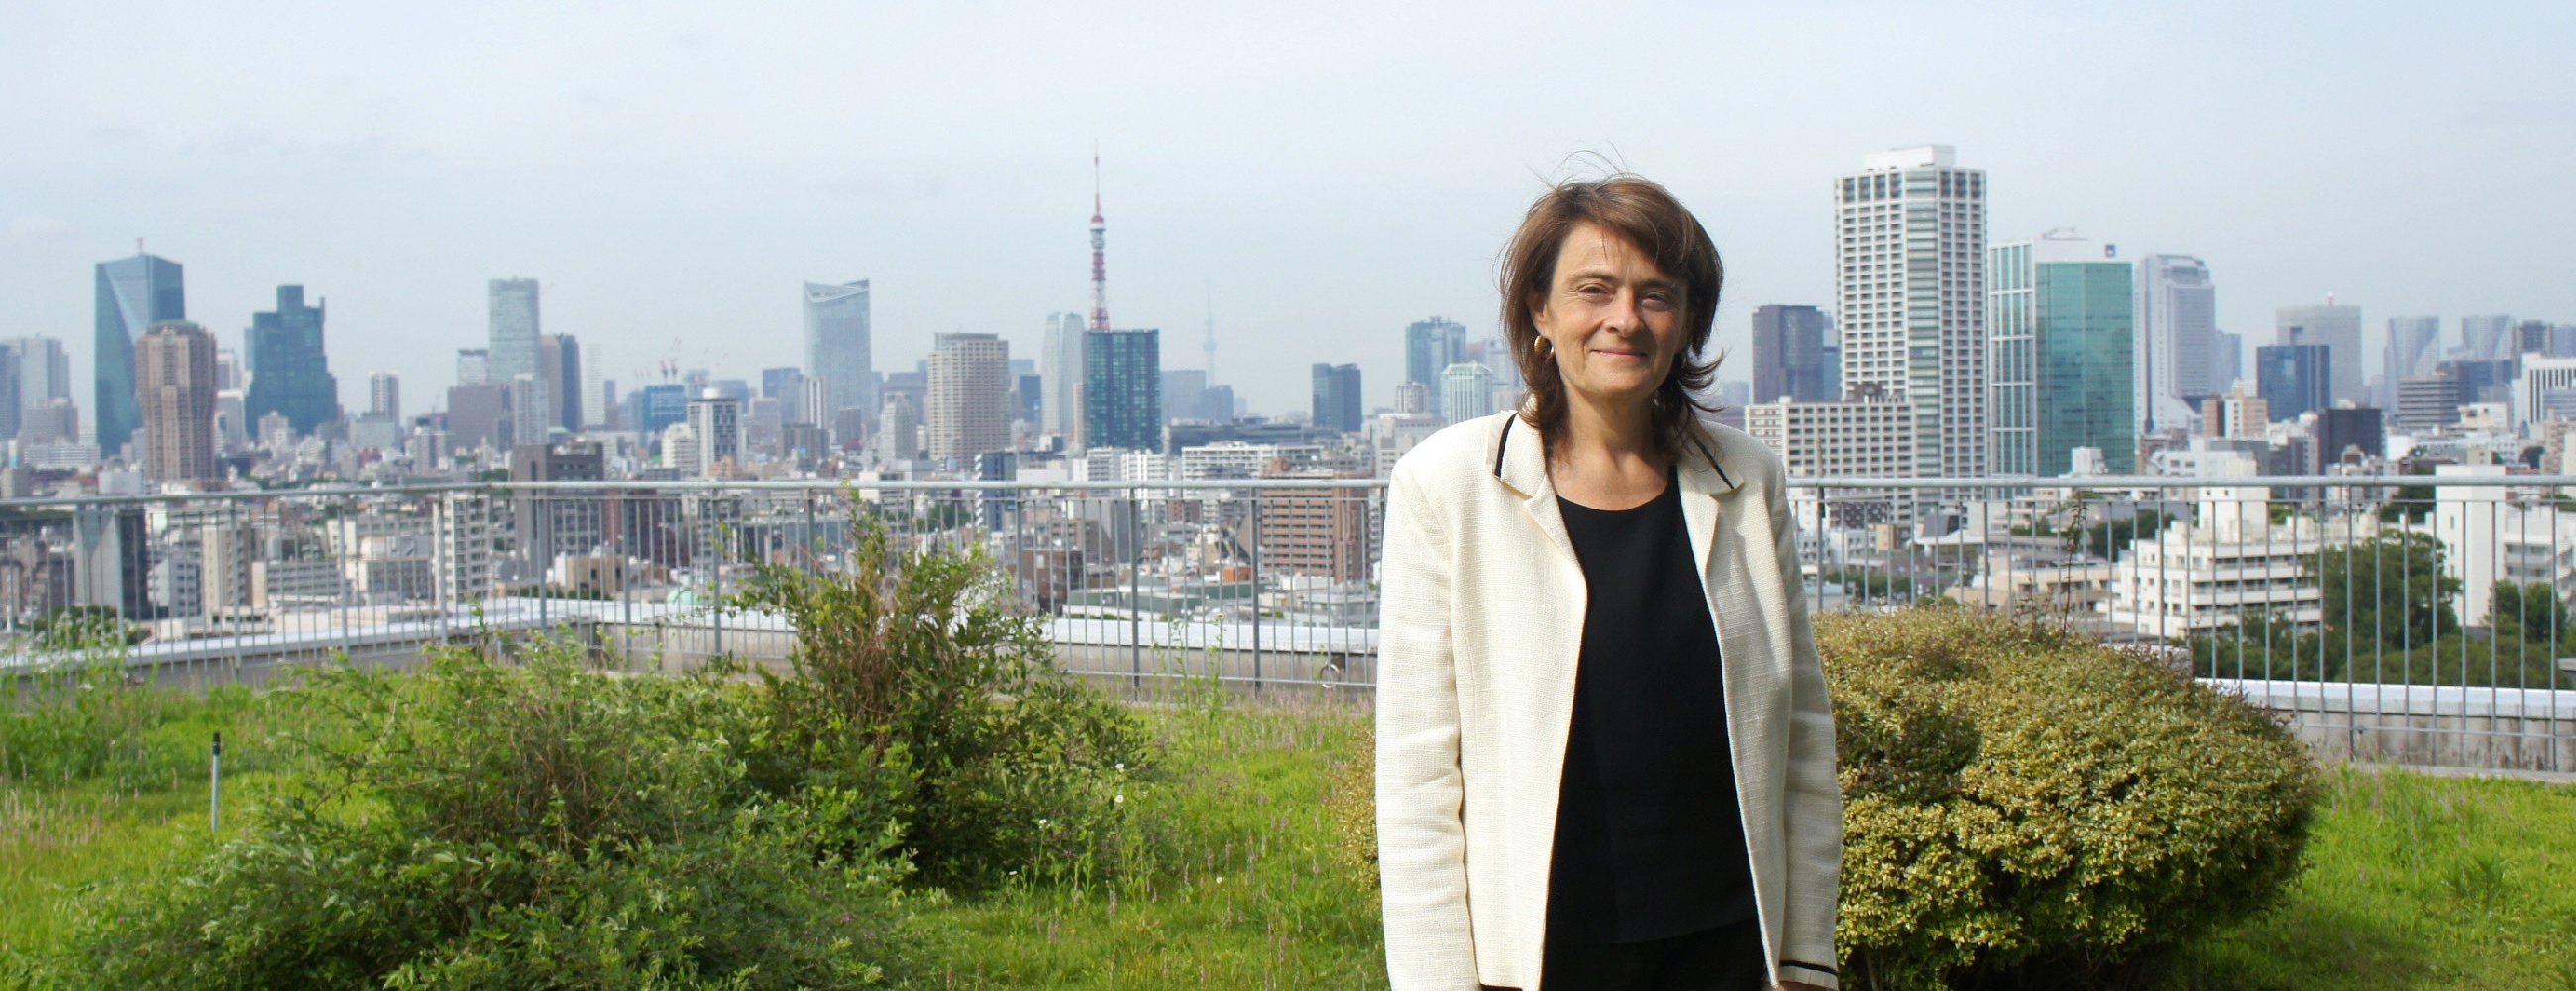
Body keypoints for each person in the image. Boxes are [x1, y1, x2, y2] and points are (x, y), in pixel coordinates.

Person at [1375, 175, 1842, 991]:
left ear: (1687, 323)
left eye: (1656, 296)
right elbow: (1418, 772)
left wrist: (1803, 957)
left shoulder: (1745, 482)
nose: (1625, 318)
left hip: (1732, 942)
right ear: (1540, 312)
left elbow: (1801, 735)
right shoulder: (1450, 484)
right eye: (1595, 290)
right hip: (1542, 954)